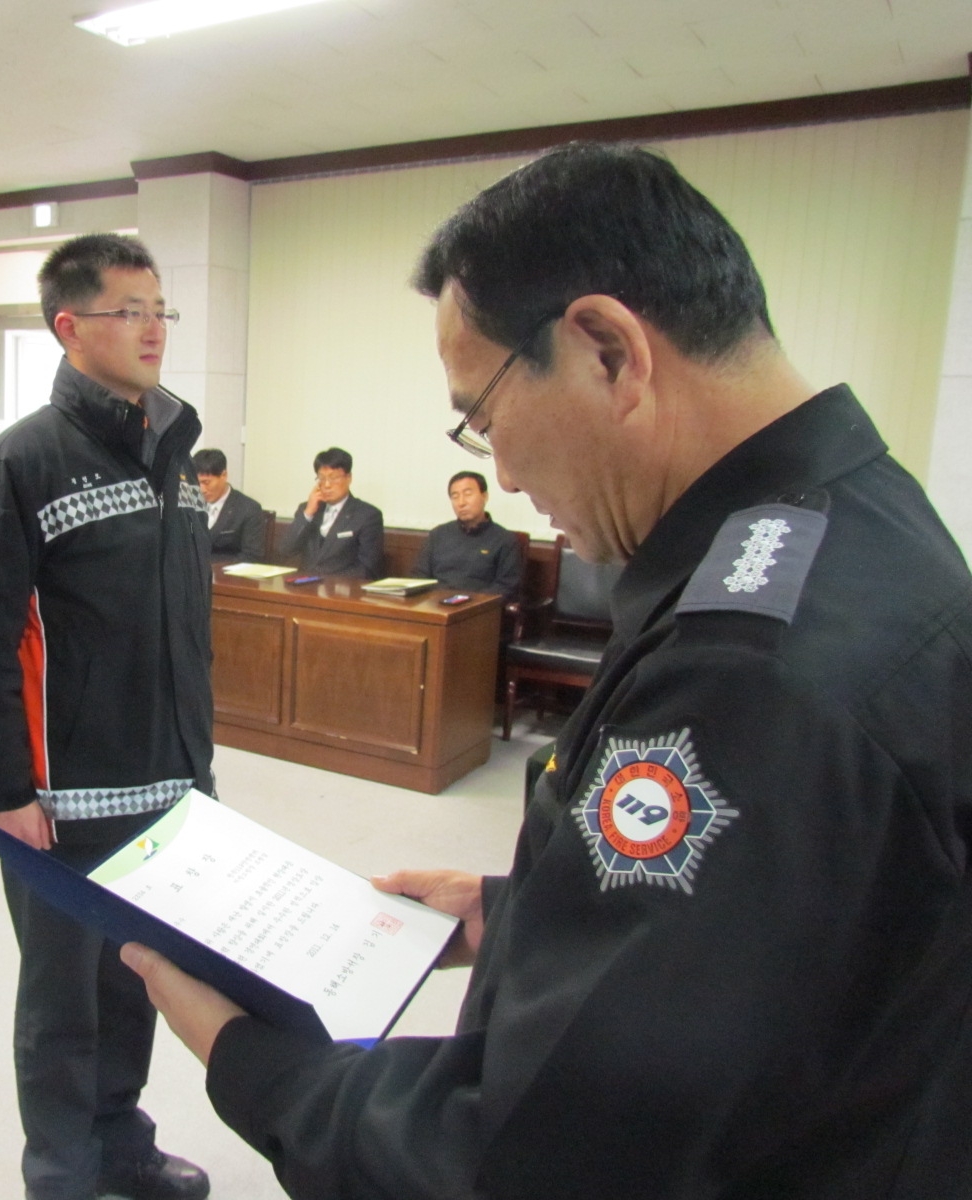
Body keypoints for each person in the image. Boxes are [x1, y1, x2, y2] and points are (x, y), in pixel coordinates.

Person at [123, 142, 972, 1199]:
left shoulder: (747, 670)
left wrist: (252, 1061)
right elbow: (782, 929)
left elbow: (530, 1159)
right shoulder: (850, 514)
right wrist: (524, 907)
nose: (506, 473)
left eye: (483, 418)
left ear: (608, 351)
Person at [0, 233, 213, 1200]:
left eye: (160, 310)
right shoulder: (18, 465)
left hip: (166, 788)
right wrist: (3, 790)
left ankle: (119, 1147)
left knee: (136, 980)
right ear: (68, 326)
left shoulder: (173, 452)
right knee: (63, 1007)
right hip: (61, 802)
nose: (152, 329)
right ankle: (61, 1175)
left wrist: (197, 771)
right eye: (128, 311)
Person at [277, 448, 383, 578]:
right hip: (303, 584)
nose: (327, 485)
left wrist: (327, 583)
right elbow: (285, 550)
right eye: (321, 478)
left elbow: (367, 568)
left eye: (333, 478)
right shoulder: (308, 509)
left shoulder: (367, 515)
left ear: (349, 478)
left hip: (340, 587)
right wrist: (308, 514)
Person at [412, 470, 522, 594]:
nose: (461, 502)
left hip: (478, 604)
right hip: (436, 602)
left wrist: (472, 601)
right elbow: (419, 576)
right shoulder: (437, 534)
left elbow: (506, 586)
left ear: (484, 496)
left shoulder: (504, 539)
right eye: (455, 496)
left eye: (468, 494)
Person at [192, 448, 267, 562]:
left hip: (226, 571)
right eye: (197, 483)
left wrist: (208, 565)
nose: (202, 490)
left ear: (224, 475)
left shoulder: (248, 508)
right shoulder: (189, 504)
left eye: (206, 482)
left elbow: (251, 556)